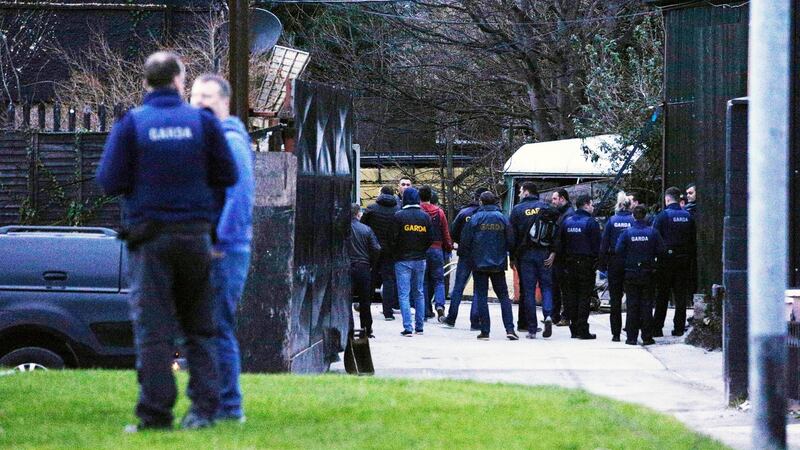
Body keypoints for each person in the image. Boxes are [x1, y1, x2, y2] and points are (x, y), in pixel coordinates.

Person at [97, 51, 237, 432]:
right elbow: (227, 174)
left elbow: (109, 181)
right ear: (180, 80)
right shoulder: (202, 123)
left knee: (154, 332)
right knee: (200, 328)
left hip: (151, 240)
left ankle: (156, 414)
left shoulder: (133, 124)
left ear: (146, 82)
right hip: (195, 238)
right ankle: (204, 412)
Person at [190, 74, 254, 423]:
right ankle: (221, 405)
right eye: (195, 95)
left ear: (224, 101)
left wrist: (217, 243)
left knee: (216, 327)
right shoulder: (214, 140)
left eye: (208, 96)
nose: (200, 102)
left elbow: (239, 198)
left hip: (224, 249)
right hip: (219, 245)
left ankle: (229, 407)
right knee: (211, 327)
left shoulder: (230, 141)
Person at [459, 191, 518, 340]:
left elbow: (465, 241)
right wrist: (509, 256)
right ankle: (510, 329)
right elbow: (511, 240)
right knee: (504, 296)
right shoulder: (502, 218)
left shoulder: (475, 218)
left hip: (479, 264)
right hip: (498, 263)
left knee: (482, 297)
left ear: (481, 202)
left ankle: (485, 331)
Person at [510, 182, 557, 339]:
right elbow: (556, 231)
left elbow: (512, 236)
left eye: (521, 191)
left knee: (529, 291)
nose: (519, 194)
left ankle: (531, 328)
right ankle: (548, 315)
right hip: (544, 253)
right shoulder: (546, 207)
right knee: (546, 287)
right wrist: (553, 252)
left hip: (525, 256)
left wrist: (512, 257)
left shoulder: (517, 210)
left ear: (526, 192)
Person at [616, 205, 665, 346]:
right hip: (648, 272)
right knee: (647, 305)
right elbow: (661, 251)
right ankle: (647, 336)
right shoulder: (653, 232)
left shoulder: (627, 233)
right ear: (646, 216)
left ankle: (631, 337)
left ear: (633, 216)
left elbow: (619, 250)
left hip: (631, 272)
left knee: (632, 305)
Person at [652, 186, 696, 337]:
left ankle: (657, 328)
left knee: (662, 296)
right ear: (679, 199)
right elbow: (692, 240)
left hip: (665, 262)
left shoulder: (662, 216)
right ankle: (678, 328)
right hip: (683, 261)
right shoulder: (688, 216)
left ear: (667, 199)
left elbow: (655, 239)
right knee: (681, 296)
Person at [443, 188, 488, 329]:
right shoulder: (489, 215)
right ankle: (475, 321)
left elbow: (453, 232)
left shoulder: (464, 213)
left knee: (458, 286)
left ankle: (451, 318)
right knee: (478, 289)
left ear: (474, 197)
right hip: (481, 255)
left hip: (465, 253)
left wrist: (461, 243)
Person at [391, 187, 433, 336]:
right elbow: (430, 239)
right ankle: (419, 327)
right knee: (419, 293)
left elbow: (393, 239)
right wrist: (421, 250)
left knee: (404, 294)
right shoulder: (425, 217)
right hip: (420, 258)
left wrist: (396, 252)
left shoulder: (398, 216)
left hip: (402, 259)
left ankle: (408, 327)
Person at [560, 194, 601, 340]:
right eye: (591, 204)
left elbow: (561, 244)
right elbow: (597, 246)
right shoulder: (591, 223)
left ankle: (574, 328)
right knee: (584, 296)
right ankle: (583, 328)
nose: (593, 207)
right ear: (586, 204)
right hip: (586, 264)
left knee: (571, 296)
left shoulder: (567, 221)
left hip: (569, 264)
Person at [598, 192, 635, 342]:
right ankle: (631, 331)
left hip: (614, 262)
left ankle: (616, 334)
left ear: (618, 206)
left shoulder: (611, 221)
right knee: (632, 298)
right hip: (631, 263)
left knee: (615, 299)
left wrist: (602, 263)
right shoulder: (634, 221)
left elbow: (604, 244)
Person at [361, 185, 401, 320]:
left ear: (381, 193)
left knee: (370, 278)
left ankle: (365, 308)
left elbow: (362, 227)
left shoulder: (371, 209)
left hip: (372, 249)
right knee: (388, 279)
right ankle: (388, 312)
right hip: (390, 250)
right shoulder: (397, 210)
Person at [419, 185, 454, 321]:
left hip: (421, 250)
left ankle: (426, 310)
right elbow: (445, 233)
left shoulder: (419, 212)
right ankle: (440, 306)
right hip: (437, 249)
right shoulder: (439, 212)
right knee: (439, 280)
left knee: (424, 281)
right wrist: (448, 247)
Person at [348, 203, 382, 338]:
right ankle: (366, 329)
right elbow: (376, 248)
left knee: (346, 300)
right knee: (365, 300)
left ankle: (349, 328)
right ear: (358, 214)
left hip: (347, 267)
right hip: (363, 267)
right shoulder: (366, 230)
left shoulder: (343, 229)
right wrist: (371, 264)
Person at [550, 188, 574, 327]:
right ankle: (555, 315)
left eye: (555, 199)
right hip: (558, 256)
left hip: (563, 257)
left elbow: (561, 237)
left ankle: (566, 316)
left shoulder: (568, 215)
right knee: (555, 287)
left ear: (562, 199)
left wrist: (555, 252)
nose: (553, 202)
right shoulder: (561, 213)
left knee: (565, 289)